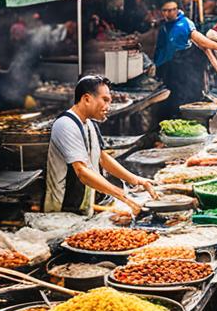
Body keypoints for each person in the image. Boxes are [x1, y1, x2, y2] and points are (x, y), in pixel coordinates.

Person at [44, 75, 156, 215]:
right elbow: (81, 172)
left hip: (83, 206)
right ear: (86, 99)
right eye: (105, 100)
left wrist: (136, 180)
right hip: (62, 210)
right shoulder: (65, 125)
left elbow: (102, 158)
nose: (108, 107)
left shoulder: (90, 123)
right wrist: (122, 195)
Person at [153, 0, 217, 115]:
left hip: (185, 73)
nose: (170, 13)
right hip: (168, 72)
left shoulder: (184, 24)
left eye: (173, 9)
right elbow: (205, 48)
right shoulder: (164, 26)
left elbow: (208, 45)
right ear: (162, 11)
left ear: (177, 9)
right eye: (166, 10)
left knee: (183, 105)